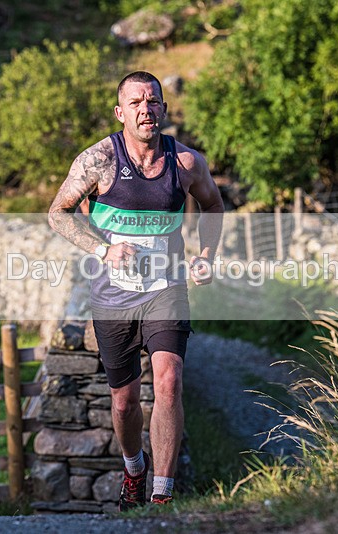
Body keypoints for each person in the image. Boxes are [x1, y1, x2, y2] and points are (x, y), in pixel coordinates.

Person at [48, 71, 223, 509]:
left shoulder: (185, 163)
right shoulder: (99, 160)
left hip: (166, 288)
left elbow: (213, 204)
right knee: (124, 404)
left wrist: (206, 255)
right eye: (136, 103)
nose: (146, 110)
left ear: (163, 108)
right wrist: (102, 248)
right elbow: (59, 213)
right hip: (113, 298)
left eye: (153, 101)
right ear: (120, 111)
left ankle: (162, 495)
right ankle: (134, 469)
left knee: (169, 382)